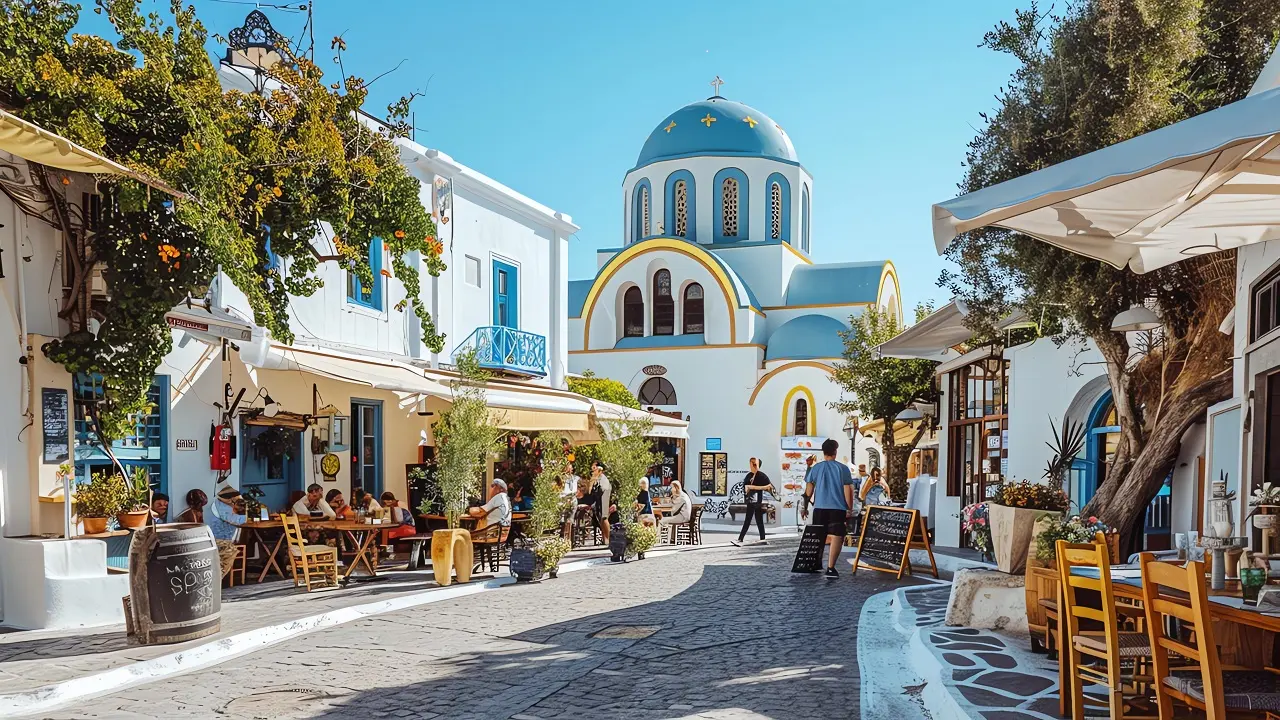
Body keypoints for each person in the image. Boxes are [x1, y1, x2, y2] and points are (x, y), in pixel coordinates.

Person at [804, 438, 856, 578]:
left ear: (824, 452)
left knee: (819, 536)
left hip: (819, 507)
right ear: (835, 452)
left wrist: (804, 507)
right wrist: (849, 508)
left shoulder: (816, 468)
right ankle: (831, 567)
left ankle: (815, 564)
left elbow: (808, 491)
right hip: (837, 508)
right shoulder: (843, 468)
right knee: (837, 536)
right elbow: (848, 490)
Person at [735, 457, 774, 545]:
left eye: (754, 464)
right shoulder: (749, 475)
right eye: (752, 464)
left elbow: (769, 487)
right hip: (750, 500)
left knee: (758, 520)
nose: (752, 465)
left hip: (758, 501)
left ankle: (761, 538)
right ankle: (741, 538)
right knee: (748, 520)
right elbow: (745, 487)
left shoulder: (762, 475)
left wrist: (754, 487)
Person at [590, 461, 614, 545]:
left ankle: (608, 539)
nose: (592, 470)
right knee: (601, 518)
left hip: (603, 497)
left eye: (594, 468)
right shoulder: (597, 478)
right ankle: (605, 539)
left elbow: (603, 489)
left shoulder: (603, 479)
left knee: (604, 517)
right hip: (598, 499)